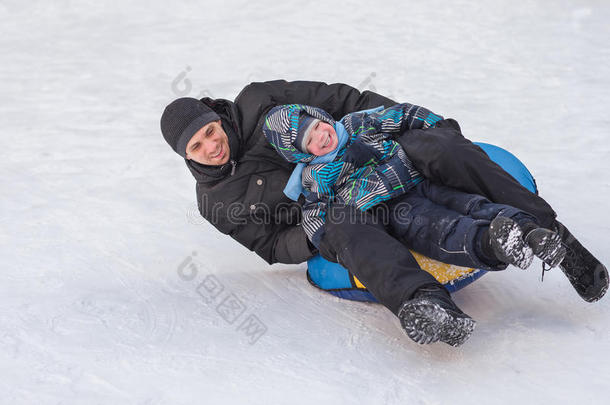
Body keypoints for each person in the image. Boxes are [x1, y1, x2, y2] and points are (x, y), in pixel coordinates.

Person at [160, 80, 608, 347]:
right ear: (185, 155)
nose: (211, 147)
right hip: (340, 206)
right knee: (344, 226)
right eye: (197, 146)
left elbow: (343, 101)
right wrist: (315, 233)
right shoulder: (215, 201)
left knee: (440, 147)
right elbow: (270, 245)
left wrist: (418, 122)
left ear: (215, 117)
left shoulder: (260, 101)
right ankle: (423, 305)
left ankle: (554, 237)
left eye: (209, 131)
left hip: (371, 152)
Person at [262, 103, 568, 345]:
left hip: (420, 178)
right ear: (301, 154)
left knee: (471, 204)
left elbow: (401, 115)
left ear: (323, 117)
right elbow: (316, 215)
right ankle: (486, 254)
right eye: (310, 141)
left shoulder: (357, 124)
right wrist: (328, 240)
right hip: (395, 210)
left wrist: (438, 127)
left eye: (317, 126)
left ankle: (527, 233)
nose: (321, 136)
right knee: (441, 228)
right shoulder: (313, 178)